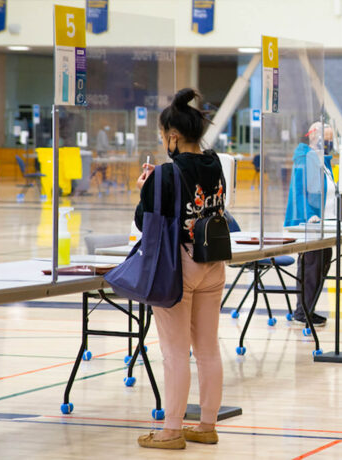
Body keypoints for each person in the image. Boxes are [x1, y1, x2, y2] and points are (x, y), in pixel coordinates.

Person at [134, 88, 226, 449]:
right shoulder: (215, 163)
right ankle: (206, 424)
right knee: (208, 350)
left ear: (173, 136)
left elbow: (146, 222)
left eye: (163, 136)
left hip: (179, 267)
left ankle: (171, 429)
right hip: (213, 261)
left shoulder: (165, 175)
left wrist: (144, 190)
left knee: (174, 352)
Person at [284, 121, 334, 326]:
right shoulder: (305, 159)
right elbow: (299, 191)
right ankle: (301, 312)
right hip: (311, 222)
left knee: (322, 263)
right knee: (311, 266)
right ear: (313, 135)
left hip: (326, 222)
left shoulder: (323, 161)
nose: (328, 144)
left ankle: (309, 308)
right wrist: (307, 217)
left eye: (330, 140)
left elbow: (327, 190)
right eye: (326, 139)